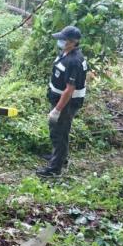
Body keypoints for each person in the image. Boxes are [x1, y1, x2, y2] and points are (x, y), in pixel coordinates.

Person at [37, 25, 88, 178]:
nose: (59, 41)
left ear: (72, 42)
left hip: (66, 103)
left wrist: (57, 109)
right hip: (59, 99)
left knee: (60, 132)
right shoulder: (66, 53)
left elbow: (69, 90)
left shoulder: (74, 61)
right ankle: (58, 156)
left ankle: (55, 168)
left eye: (63, 39)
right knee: (55, 129)